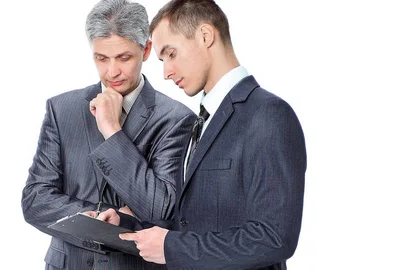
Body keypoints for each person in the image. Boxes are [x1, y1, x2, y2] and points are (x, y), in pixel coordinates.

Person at [93, 0, 307, 269]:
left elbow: (274, 238)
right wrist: (128, 224)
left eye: (171, 54)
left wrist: (171, 247)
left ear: (205, 36)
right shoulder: (200, 121)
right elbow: (191, 220)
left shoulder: (268, 115)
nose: (166, 72)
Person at [21, 0, 196, 269]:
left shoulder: (177, 120)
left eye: (123, 58)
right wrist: (102, 218)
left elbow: (162, 211)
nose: (112, 71)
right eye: (101, 58)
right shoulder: (61, 109)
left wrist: (111, 130)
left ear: (146, 50)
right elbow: (35, 200)